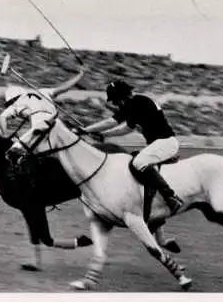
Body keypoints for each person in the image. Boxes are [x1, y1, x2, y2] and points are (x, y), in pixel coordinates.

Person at [78, 79, 182, 215]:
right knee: (130, 160)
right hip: (157, 144)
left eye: (115, 100)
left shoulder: (136, 102)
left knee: (138, 163)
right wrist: (103, 134)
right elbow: (127, 128)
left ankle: (170, 197)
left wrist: (86, 130)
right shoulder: (136, 104)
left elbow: (112, 121)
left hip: (165, 143)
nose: (115, 104)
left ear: (121, 96)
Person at [0, 66, 88, 138]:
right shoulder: (42, 91)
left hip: (39, 123)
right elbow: (64, 87)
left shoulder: (14, 104)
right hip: (55, 121)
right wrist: (80, 75)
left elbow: (2, 117)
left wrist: (4, 135)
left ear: (11, 99)